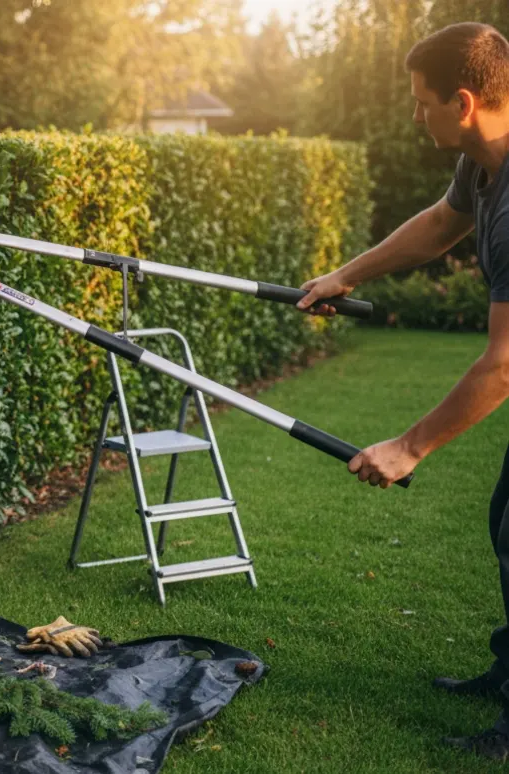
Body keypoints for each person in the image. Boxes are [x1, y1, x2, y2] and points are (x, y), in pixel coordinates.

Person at [296, 21, 509, 761]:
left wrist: (409, 446)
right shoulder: (483, 167)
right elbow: (438, 226)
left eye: (423, 104)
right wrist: (347, 274)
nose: (415, 117)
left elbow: (502, 365)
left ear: (464, 101)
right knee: (507, 520)